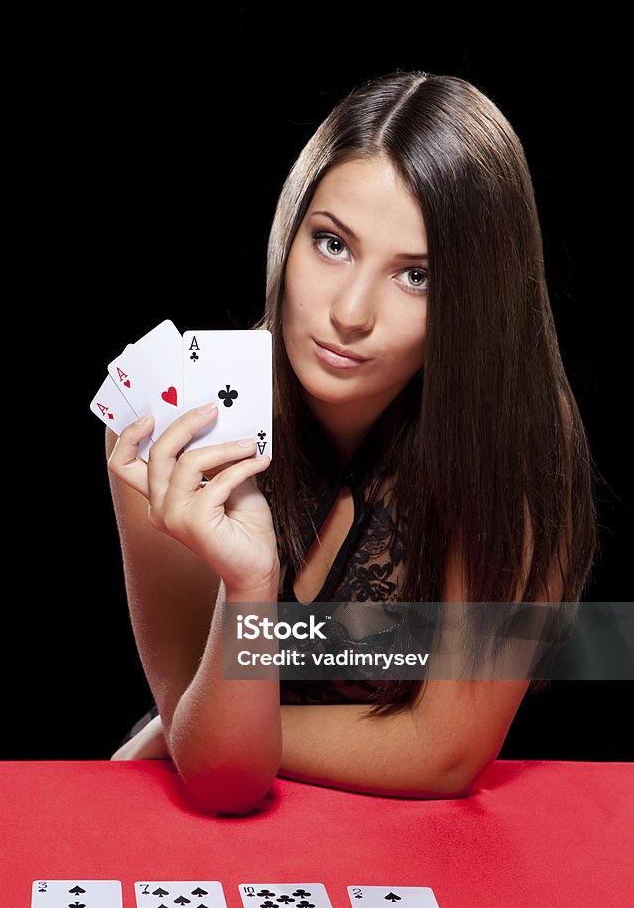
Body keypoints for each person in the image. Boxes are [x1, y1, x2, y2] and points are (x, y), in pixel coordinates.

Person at [105, 70, 598, 815]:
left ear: (479, 299)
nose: (350, 312)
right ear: (289, 230)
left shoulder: (518, 443)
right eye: (332, 244)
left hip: (417, 854)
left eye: (417, 276)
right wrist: (248, 583)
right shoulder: (170, 413)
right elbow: (220, 782)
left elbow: (445, 755)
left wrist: (195, 731)